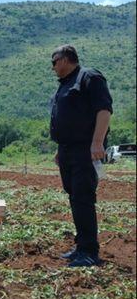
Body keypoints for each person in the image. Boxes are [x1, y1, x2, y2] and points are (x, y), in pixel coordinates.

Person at [49, 44, 113, 267]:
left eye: (54, 62)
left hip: (85, 149)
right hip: (67, 150)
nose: (53, 67)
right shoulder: (65, 84)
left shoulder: (89, 77)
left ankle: (90, 252)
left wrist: (97, 141)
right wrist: (60, 147)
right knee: (75, 197)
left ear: (65, 58)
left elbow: (103, 110)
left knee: (83, 198)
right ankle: (81, 246)